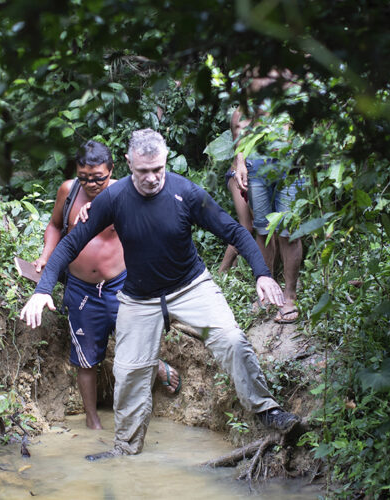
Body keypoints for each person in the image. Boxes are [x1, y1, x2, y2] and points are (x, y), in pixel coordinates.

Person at [21, 129, 300, 460]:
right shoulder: (114, 198)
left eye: (158, 170)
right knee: (128, 374)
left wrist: (263, 274)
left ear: (165, 162)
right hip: (139, 300)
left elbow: (234, 230)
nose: (152, 178)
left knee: (231, 339)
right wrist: (42, 290)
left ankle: (266, 410)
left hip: (191, 289)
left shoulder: (186, 192)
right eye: (143, 171)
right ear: (128, 164)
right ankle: (124, 451)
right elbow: (70, 242)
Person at [33, 140, 180, 430]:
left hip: (121, 283)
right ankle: (92, 422)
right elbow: (54, 225)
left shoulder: (126, 191)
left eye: (98, 178)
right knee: (85, 358)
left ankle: (157, 365)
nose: (91, 184)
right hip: (81, 288)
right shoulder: (68, 191)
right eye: (84, 177)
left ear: (111, 171)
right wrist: (45, 254)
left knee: (136, 341)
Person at [232, 68, 304, 324]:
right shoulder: (251, 69)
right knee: (263, 231)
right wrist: (240, 162)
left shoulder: (289, 69)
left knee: (288, 232)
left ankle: (290, 296)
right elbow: (241, 116)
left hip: (289, 166)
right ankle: (267, 289)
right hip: (257, 165)